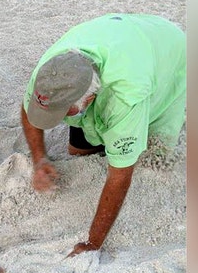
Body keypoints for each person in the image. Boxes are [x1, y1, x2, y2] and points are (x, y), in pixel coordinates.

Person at [21, 14, 186, 256]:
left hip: (169, 54)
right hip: (120, 36)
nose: (56, 118)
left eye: (63, 111)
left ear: (88, 98)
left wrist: (92, 243)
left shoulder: (127, 97)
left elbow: (120, 176)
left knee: (154, 157)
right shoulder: (49, 73)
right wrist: (39, 159)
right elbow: (30, 109)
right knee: (79, 152)